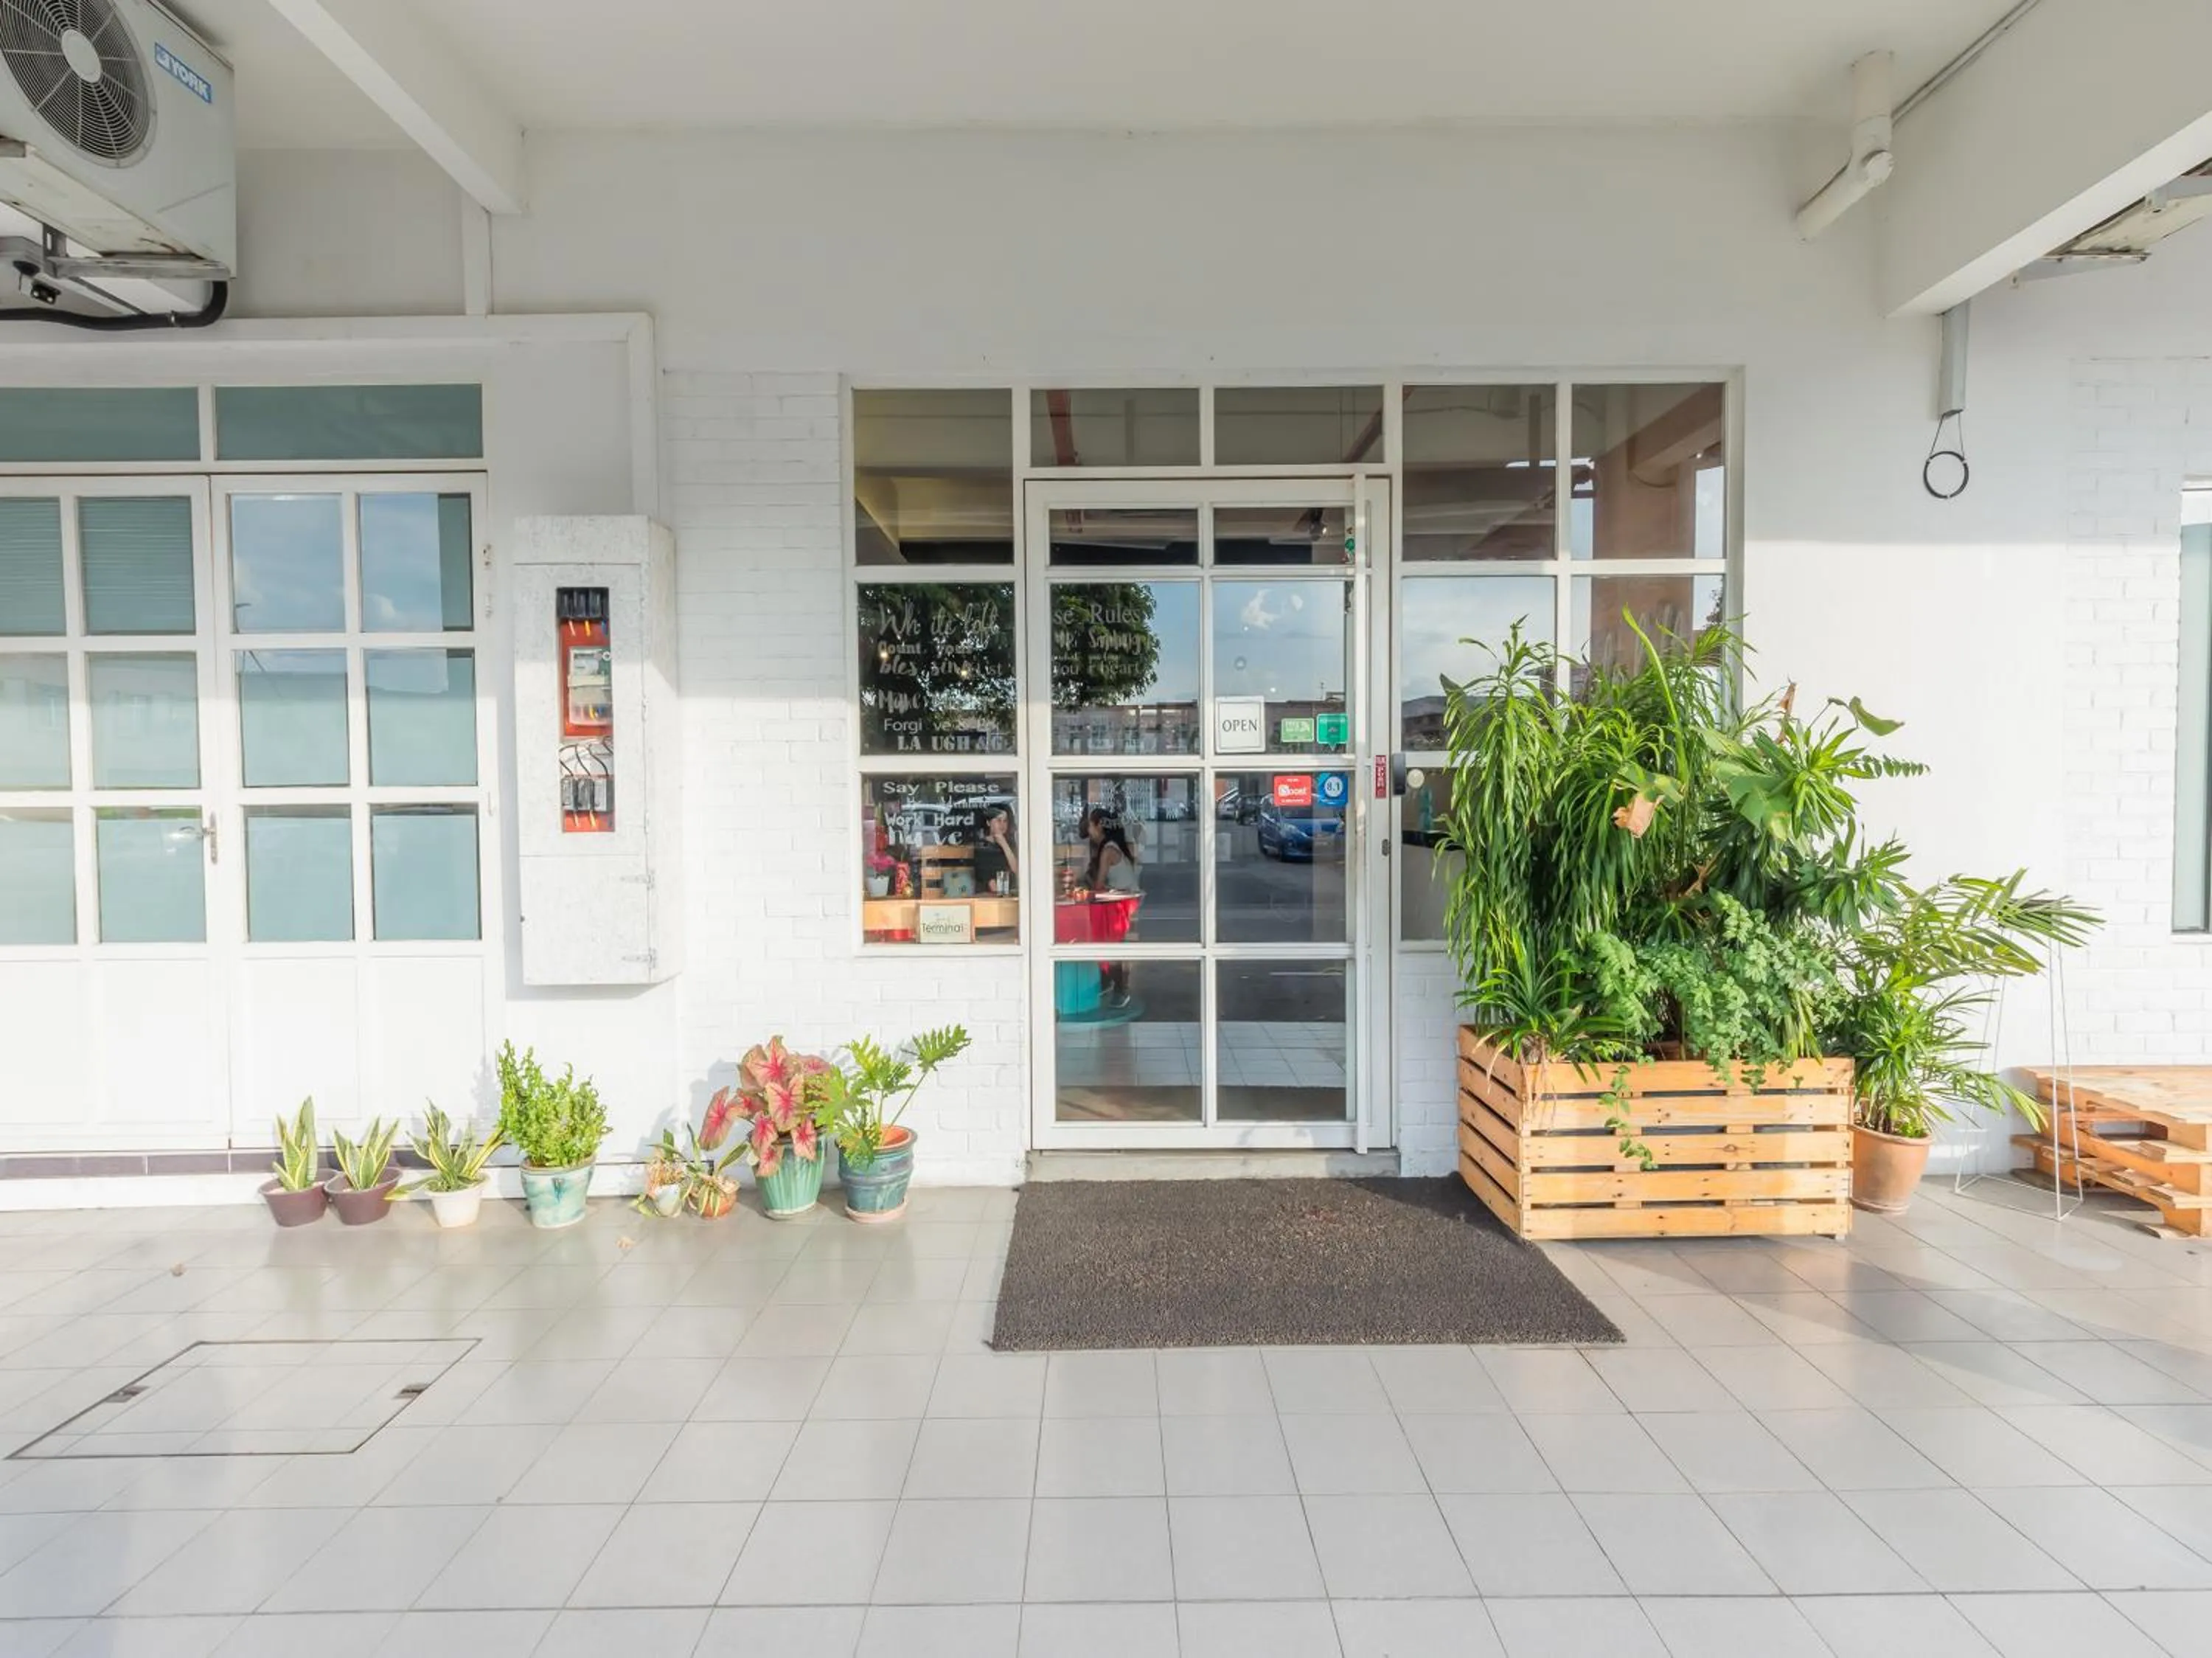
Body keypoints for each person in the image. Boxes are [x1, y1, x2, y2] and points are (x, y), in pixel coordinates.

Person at [1084, 807, 1140, 1005]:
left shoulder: (1108, 850)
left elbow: (1098, 885)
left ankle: (1120, 988)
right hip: (1121, 900)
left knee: (1104, 936)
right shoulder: (1114, 845)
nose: (1089, 830)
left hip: (1120, 903)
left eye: (1090, 825)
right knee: (1101, 930)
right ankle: (1108, 981)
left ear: (1100, 825)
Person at [973, 805, 1018, 895]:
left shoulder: (1010, 844)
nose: (1002, 825)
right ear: (988, 823)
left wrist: (1004, 844)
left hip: (1011, 893)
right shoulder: (981, 847)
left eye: (1005, 821)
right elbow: (988, 881)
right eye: (998, 820)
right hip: (989, 895)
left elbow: (1016, 869)